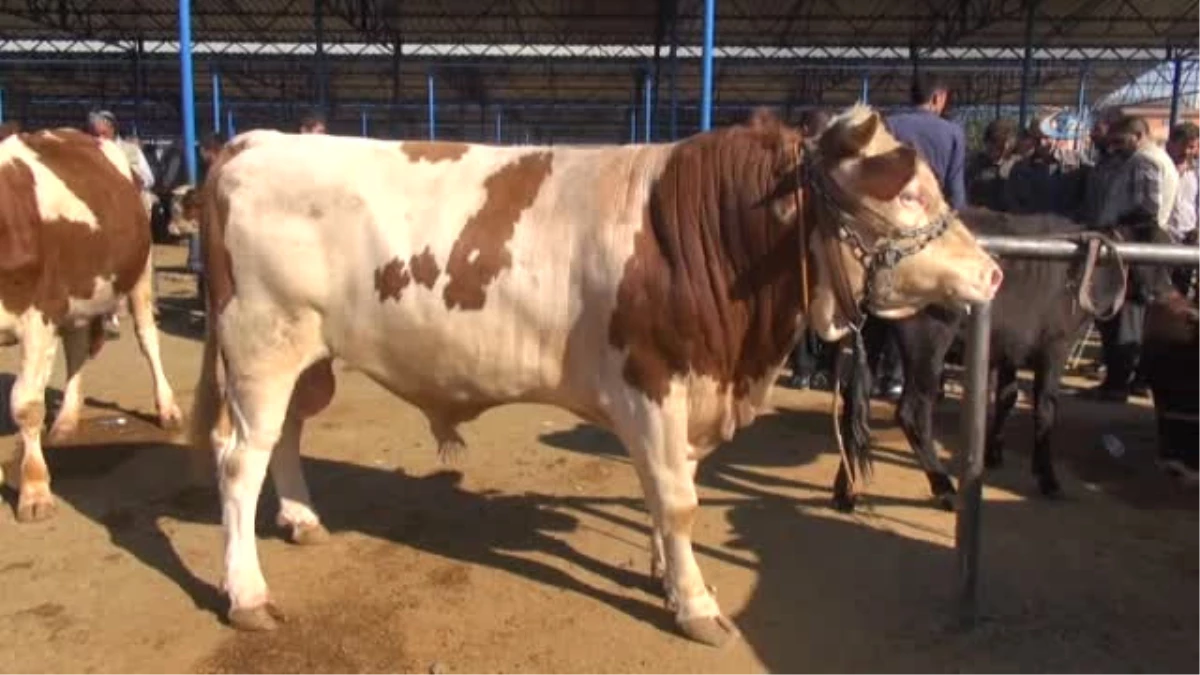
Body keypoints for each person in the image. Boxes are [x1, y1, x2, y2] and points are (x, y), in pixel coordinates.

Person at [1087, 114, 1180, 402]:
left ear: (1137, 136)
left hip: (1133, 247)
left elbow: (1147, 209)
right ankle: (1121, 380)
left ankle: (1117, 385)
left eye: (1120, 140)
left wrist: (1117, 229)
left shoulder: (1144, 161)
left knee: (1127, 316)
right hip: (1133, 246)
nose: (1114, 147)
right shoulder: (1145, 159)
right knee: (1126, 316)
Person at [87, 110, 156, 339]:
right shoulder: (89, 151)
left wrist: (127, 175)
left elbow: (148, 178)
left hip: (132, 212)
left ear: (112, 127)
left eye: (101, 129)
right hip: (103, 214)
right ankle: (110, 313)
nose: (98, 134)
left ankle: (145, 303)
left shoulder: (130, 150)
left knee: (140, 258)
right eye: (94, 130)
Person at [786, 109, 836, 390]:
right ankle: (811, 368)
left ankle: (811, 369)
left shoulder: (827, 162)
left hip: (818, 244)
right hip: (806, 244)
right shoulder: (794, 158)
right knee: (809, 306)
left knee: (813, 307)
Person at [885, 72, 967, 210]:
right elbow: (956, 196)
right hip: (933, 216)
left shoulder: (889, 126)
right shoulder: (953, 133)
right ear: (937, 98)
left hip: (897, 213)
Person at [1004, 117, 1086, 217]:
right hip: (1032, 228)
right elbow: (1012, 204)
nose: (1042, 143)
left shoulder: (1077, 162)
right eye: (1037, 139)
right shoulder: (1020, 170)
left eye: (1046, 137)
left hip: (1068, 228)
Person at [1165, 122, 1200, 293]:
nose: (1187, 152)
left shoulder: (1196, 173)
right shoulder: (1159, 168)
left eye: (1192, 147)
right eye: (1183, 146)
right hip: (1163, 239)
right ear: (1171, 144)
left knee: (1182, 289)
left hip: (1188, 239)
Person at [966, 118, 1018, 210]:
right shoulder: (976, 165)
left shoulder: (1017, 166)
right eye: (992, 146)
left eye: (1000, 147)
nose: (995, 152)